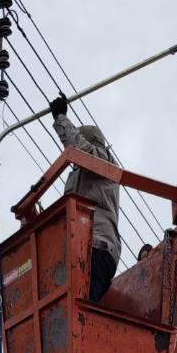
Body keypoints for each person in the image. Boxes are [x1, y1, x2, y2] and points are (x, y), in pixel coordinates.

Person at [49, 94, 121, 302]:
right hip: (82, 246)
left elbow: (79, 149)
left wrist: (61, 118)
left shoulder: (103, 161)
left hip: (97, 247)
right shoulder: (78, 174)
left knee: (78, 307)